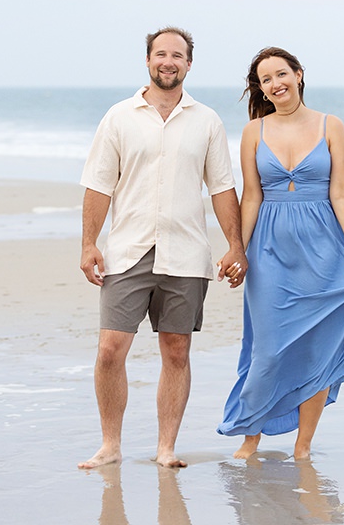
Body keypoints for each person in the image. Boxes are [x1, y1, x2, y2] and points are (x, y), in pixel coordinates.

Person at [79, 26, 248, 469]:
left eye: (177, 55)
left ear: (189, 64)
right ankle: (110, 444)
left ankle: (165, 448)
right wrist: (88, 244)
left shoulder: (207, 120)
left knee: (176, 350)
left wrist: (236, 245)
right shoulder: (119, 117)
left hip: (187, 252)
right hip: (127, 250)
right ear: (148, 61)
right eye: (160, 54)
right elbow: (99, 186)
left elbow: (223, 189)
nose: (168, 61)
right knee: (110, 349)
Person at [218, 46, 344, 460]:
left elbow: (341, 193)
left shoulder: (331, 126)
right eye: (265, 79)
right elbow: (251, 197)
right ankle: (250, 435)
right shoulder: (254, 131)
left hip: (323, 244)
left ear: (299, 74)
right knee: (267, 346)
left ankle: (303, 446)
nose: (275, 84)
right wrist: (237, 248)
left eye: (281, 74)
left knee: (317, 346)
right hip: (269, 246)